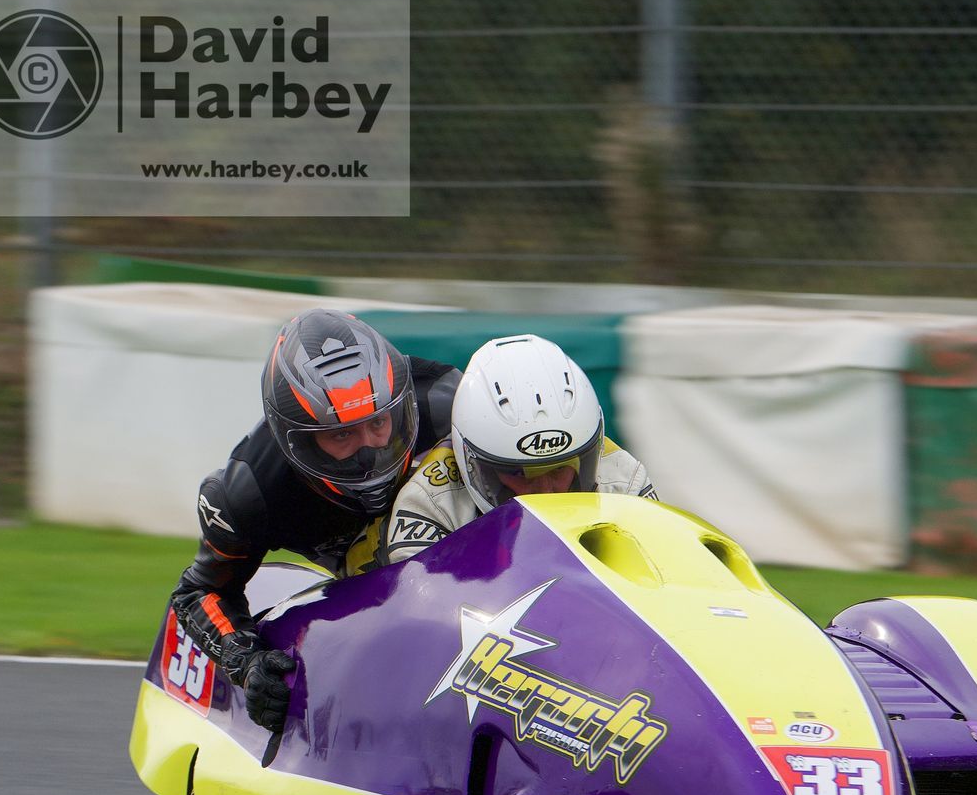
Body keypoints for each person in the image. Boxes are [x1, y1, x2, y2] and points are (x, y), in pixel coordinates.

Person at [169, 308, 460, 733]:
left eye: (378, 423)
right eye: (342, 435)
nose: (371, 451)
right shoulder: (249, 490)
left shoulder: (448, 402)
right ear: (298, 440)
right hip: (367, 587)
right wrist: (246, 662)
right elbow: (200, 591)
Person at [378, 333, 654, 567]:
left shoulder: (625, 482)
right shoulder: (430, 502)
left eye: (559, 469)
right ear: (471, 463)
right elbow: (421, 608)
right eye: (523, 475)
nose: (546, 491)